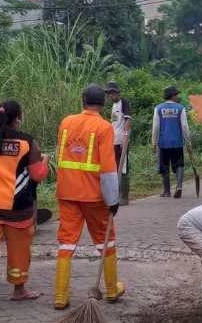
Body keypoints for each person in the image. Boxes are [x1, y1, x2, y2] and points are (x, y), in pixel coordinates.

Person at [0, 101, 49, 315]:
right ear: (17, 118)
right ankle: (18, 290)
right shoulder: (26, 143)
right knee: (19, 252)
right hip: (18, 211)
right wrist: (46, 162)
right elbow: (37, 175)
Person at [53, 84, 124, 310]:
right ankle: (112, 290)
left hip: (67, 193)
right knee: (106, 241)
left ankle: (60, 296)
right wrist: (113, 200)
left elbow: (60, 155)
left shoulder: (66, 122)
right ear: (103, 105)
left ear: (82, 100)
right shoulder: (104, 127)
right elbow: (108, 168)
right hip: (94, 197)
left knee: (66, 242)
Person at [152, 85, 191, 198]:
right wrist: (188, 142)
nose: (178, 97)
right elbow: (184, 127)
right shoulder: (180, 108)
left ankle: (166, 191)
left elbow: (156, 127)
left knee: (165, 166)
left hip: (164, 143)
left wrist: (154, 143)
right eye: (176, 95)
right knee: (179, 164)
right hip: (177, 142)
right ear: (172, 96)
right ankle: (179, 186)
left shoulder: (158, 108)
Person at [106, 81, 131, 206]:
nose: (110, 96)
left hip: (121, 140)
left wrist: (125, 137)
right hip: (114, 141)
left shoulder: (124, 103)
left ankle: (124, 197)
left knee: (124, 167)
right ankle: (116, 195)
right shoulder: (114, 106)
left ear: (117, 93)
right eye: (109, 94)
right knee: (115, 167)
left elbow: (127, 120)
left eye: (112, 93)